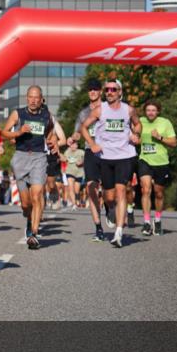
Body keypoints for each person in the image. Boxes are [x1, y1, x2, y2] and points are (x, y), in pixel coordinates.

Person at [81, 79, 141, 248]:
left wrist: (136, 134)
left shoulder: (128, 109)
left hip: (125, 155)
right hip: (105, 157)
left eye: (113, 89)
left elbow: (138, 124)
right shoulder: (100, 110)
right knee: (109, 196)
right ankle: (111, 210)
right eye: (107, 89)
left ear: (120, 92)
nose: (109, 92)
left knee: (121, 191)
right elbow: (84, 127)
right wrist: (92, 144)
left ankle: (119, 232)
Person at [2, 85, 62, 250]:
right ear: (26, 98)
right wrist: (19, 132)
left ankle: (34, 234)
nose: (33, 100)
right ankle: (29, 219)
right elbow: (4, 133)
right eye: (30, 97)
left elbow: (50, 133)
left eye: (37, 98)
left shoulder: (46, 115)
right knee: (26, 204)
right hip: (21, 157)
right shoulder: (18, 114)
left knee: (37, 195)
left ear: (41, 99)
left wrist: (53, 143)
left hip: (39, 158)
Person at [72, 78, 106, 241]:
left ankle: (110, 208)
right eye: (90, 89)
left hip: (109, 152)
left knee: (109, 192)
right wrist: (73, 138)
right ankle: (98, 227)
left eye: (95, 89)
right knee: (91, 188)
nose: (92, 92)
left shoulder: (109, 109)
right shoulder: (83, 113)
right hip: (90, 152)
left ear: (101, 91)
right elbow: (78, 133)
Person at [137, 100, 177, 236]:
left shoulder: (165, 122)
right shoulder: (140, 121)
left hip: (161, 162)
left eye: (153, 110)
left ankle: (158, 219)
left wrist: (159, 137)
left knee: (159, 193)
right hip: (145, 160)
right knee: (145, 190)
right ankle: (147, 222)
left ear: (158, 111)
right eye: (148, 110)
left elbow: (174, 142)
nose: (151, 113)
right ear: (145, 111)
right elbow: (134, 135)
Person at [62, 139, 85, 210]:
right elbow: (64, 159)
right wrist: (59, 155)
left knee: (76, 190)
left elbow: (86, 159)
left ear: (77, 145)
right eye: (72, 144)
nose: (74, 146)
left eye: (75, 144)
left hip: (79, 172)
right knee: (70, 187)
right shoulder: (67, 152)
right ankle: (74, 204)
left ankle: (77, 200)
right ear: (70, 145)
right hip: (69, 172)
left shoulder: (81, 152)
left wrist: (82, 162)